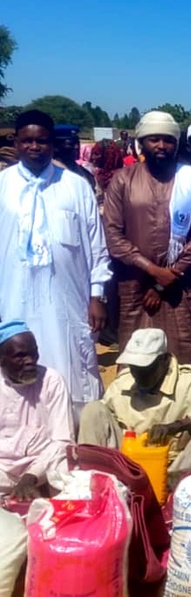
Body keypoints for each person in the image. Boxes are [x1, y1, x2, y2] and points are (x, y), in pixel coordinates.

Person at [0, 109, 111, 415]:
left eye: (42, 141)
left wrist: (97, 295)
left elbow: (96, 246)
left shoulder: (75, 187)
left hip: (68, 303)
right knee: (16, 373)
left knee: (73, 373)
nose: (34, 147)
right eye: (27, 141)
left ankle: (72, 440)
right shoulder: (3, 186)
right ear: (16, 141)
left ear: (52, 143)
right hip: (13, 301)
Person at [103, 110, 191, 368]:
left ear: (176, 144)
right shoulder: (122, 181)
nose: (161, 145)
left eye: (168, 140)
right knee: (136, 366)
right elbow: (114, 235)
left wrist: (165, 280)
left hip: (180, 289)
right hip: (135, 288)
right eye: (154, 139)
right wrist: (152, 270)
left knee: (185, 363)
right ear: (141, 143)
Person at [78, 328, 191, 470]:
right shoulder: (124, 383)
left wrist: (179, 426)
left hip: (177, 469)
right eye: (134, 368)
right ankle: (91, 486)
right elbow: (101, 421)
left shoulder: (190, 383)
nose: (138, 375)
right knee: (93, 411)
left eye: (145, 369)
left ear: (163, 360)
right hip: (128, 467)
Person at [0, 321, 75, 499]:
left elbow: (62, 440)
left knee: (66, 472)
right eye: (20, 356)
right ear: (1, 359)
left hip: (43, 465)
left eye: (34, 354)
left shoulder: (52, 381)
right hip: (3, 470)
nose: (30, 362)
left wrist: (31, 476)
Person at [53, 124, 96, 191]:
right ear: (55, 147)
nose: (76, 147)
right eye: (71, 144)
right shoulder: (50, 173)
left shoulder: (84, 172)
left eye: (77, 144)